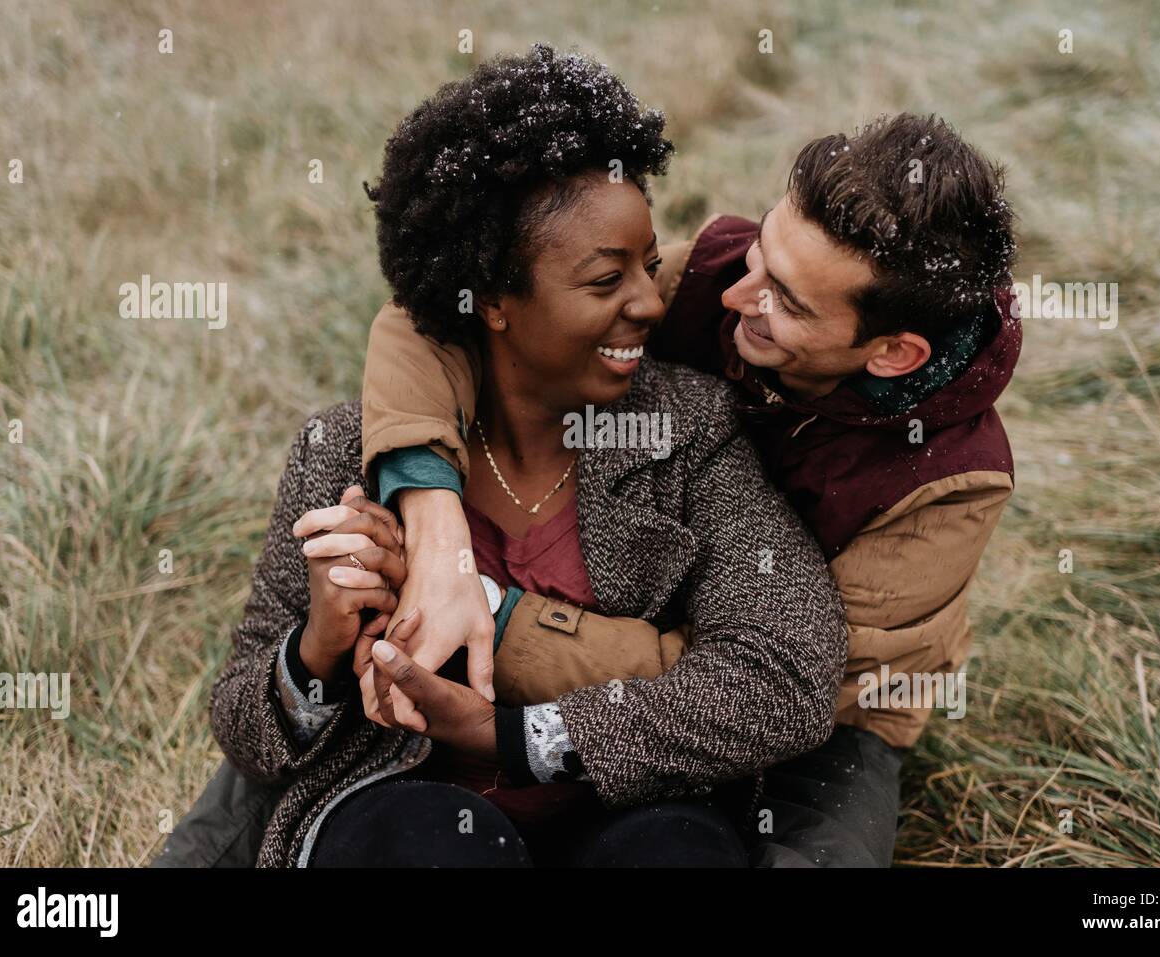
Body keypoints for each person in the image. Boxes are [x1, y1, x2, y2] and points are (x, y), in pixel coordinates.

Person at [175, 44, 844, 868]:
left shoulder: (689, 431)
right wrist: (316, 644)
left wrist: (516, 738)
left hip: (628, 807)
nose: (648, 302)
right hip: (403, 810)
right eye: (606, 281)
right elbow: (246, 732)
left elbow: (786, 677)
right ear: (492, 299)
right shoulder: (341, 453)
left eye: (651, 264)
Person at [349, 111, 1021, 868]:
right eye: (764, 252)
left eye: (787, 303)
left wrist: (507, 625)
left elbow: (783, 684)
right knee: (299, 755)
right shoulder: (713, 274)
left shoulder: (951, 481)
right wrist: (434, 521)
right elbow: (433, 311)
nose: (741, 297)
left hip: (820, 711)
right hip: (638, 615)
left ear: (894, 353)